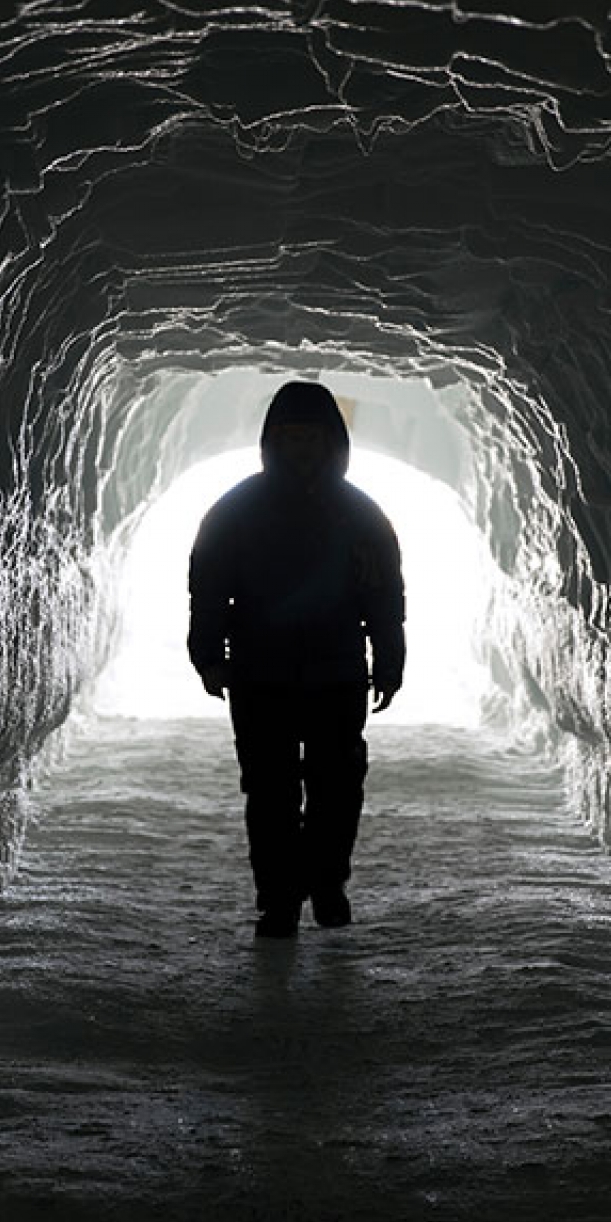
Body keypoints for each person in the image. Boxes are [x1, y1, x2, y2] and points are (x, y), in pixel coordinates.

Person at [188, 381, 406, 939]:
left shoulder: (361, 516)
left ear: (331, 442)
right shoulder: (237, 512)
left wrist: (389, 659)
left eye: (311, 437)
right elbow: (209, 588)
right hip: (262, 674)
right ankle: (279, 901)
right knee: (269, 792)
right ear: (272, 441)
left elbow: (384, 594)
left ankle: (328, 884)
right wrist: (209, 656)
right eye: (290, 437)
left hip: (336, 673)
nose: (301, 448)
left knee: (337, 788)